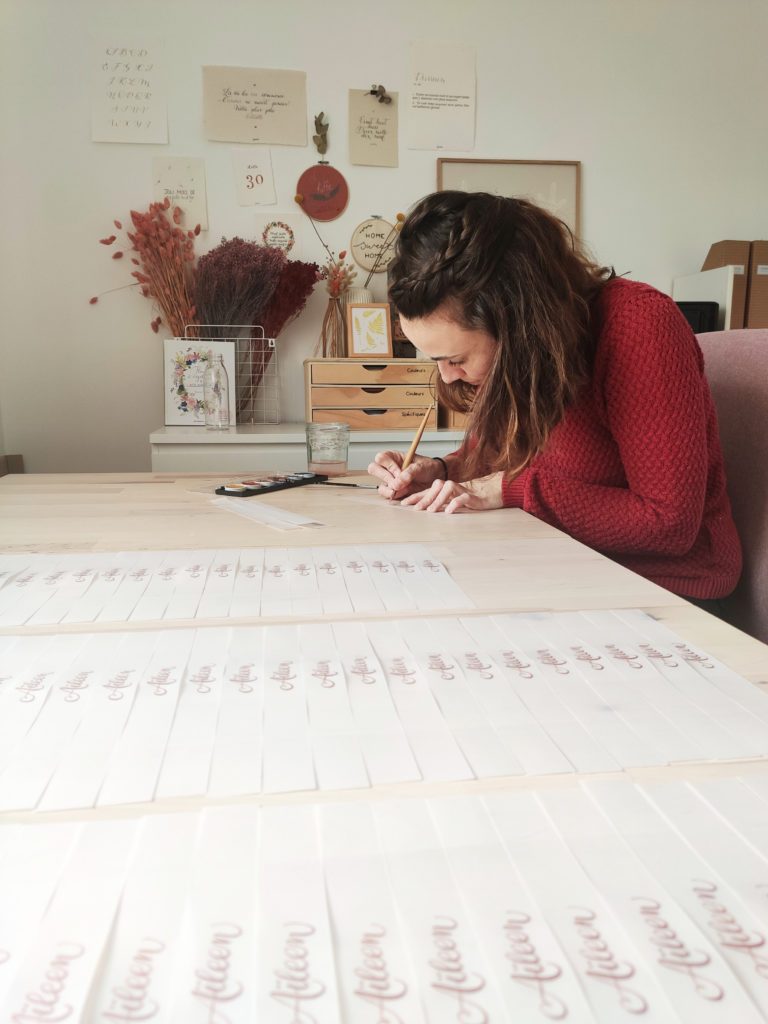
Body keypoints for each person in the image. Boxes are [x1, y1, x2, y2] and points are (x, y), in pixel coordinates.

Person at [367, 190, 742, 605]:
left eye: (455, 358)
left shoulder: (639, 328)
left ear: (518, 323)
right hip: (564, 563)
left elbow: (668, 522)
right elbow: (494, 459)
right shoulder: (524, 363)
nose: (447, 375)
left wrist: (514, 489)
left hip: (666, 591)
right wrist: (441, 470)